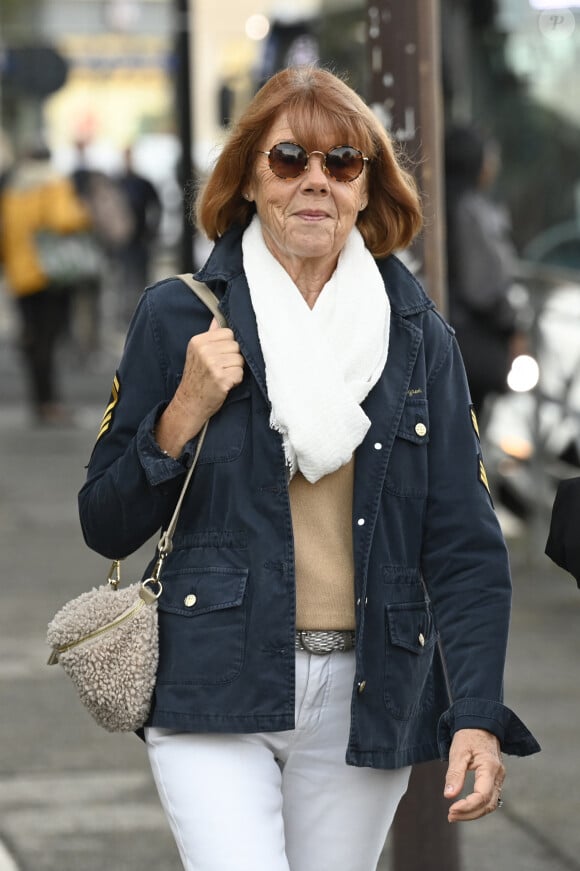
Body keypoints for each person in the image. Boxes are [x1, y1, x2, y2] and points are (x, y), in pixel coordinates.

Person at [78, 67, 539, 871]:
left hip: (369, 693)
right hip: (213, 678)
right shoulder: (178, 315)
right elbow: (104, 522)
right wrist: (182, 410)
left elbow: (466, 545)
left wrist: (476, 713)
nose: (316, 181)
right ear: (251, 180)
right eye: (290, 159)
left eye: (342, 163)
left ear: (367, 190)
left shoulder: (418, 335)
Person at [0, 142, 92, 424]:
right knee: (49, 339)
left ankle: (40, 400)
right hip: (50, 275)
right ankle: (50, 402)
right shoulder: (53, 185)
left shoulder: (12, 191)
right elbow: (65, 219)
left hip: (21, 276)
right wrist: (82, 215)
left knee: (32, 338)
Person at [444, 124, 525, 417]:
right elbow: (485, 287)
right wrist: (512, 327)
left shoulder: (433, 200)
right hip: (469, 342)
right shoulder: (470, 210)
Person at [114, 145, 162, 322]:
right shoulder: (118, 182)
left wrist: (152, 230)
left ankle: (141, 311)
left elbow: (156, 206)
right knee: (124, 278)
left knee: (141, 276)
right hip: (124, 241)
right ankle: (127, 313)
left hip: (140, 239)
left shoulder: (141, 183)